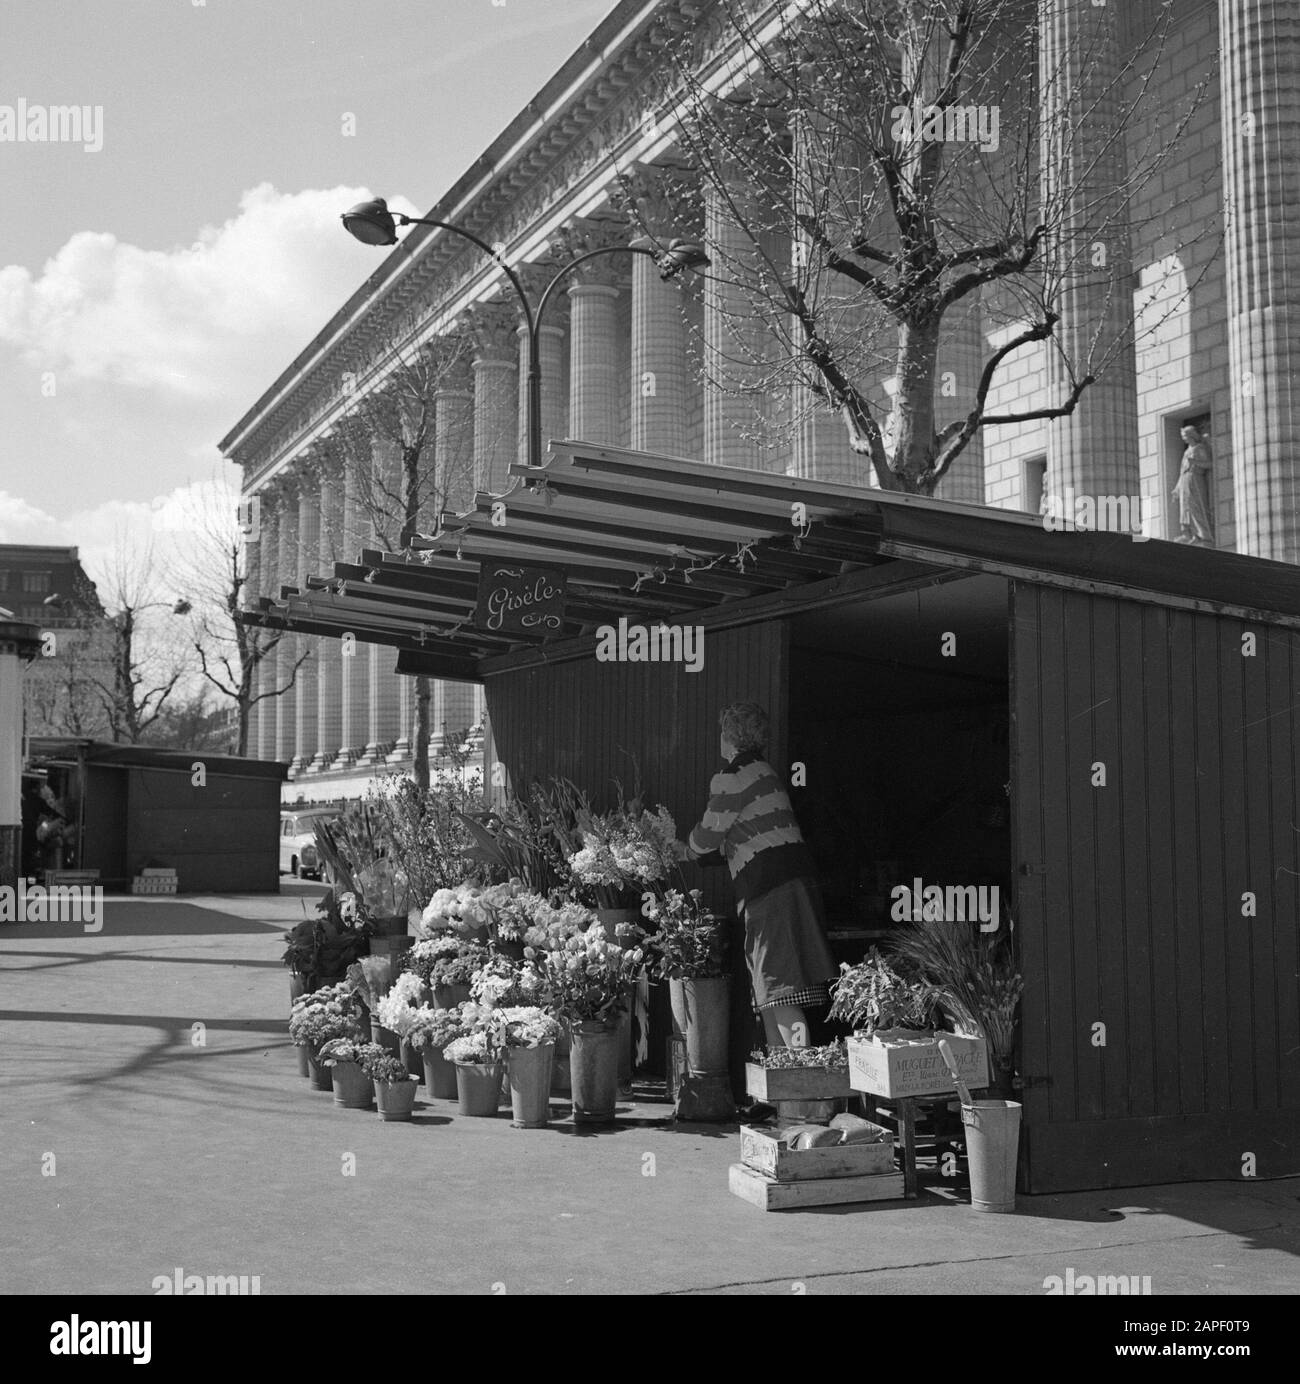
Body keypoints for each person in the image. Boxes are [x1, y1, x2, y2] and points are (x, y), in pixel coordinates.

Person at [686, 702, 837, 1051]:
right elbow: (747, 835)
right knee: (771, 993)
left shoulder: (732, 777)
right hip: (788, 884)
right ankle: (780, 1088)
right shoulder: (764, 771)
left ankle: (795, 1092)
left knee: (780, 991)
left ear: (729, 736)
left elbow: (708, 837)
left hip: (769, 890)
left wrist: (688, 850)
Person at [1173, 423, 1215, 545]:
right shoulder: (1187, 451)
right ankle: (1191, 534)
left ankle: (1204, 535)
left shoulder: (1199, 448)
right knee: (1185, 508)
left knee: (1196, 506)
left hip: (1195, 478)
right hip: (1185, 480)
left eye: (1185, 435)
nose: (1183, 438)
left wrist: (1195, 462)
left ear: (1191, 435)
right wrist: (1177, 488)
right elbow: (1182, 471)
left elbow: (1209, 464)